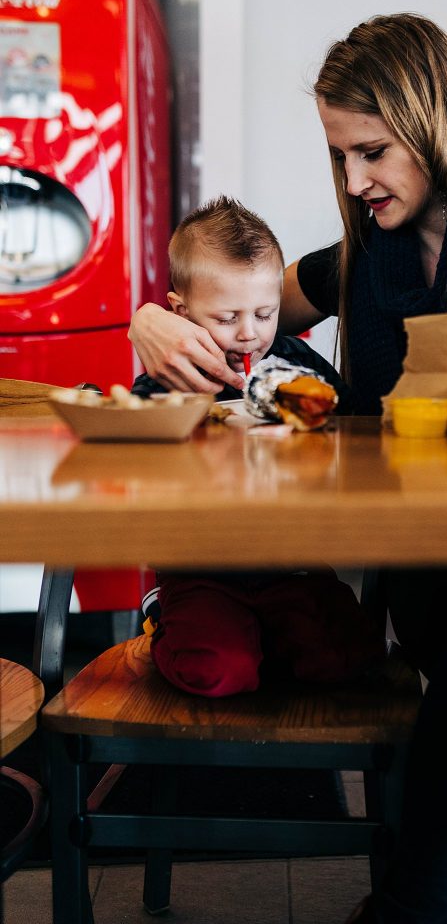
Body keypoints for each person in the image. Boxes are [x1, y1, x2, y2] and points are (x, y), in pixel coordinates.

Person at [129, 15, 447, 923]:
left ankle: (416, 911)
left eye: (370, 151)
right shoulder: (364, 255)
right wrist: (150, 319)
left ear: (434, 119)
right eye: (340, 155)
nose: (353, 180)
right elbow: (241, 303)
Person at [132, 195, 382, 698]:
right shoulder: (169, 379)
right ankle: (163, 614)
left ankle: (264, 635)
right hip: (203, 569)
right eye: (227, 318)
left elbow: (355, 430)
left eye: (265, 313)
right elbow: (138, 461)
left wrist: (316, 429)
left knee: (348, 660)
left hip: (293, 563)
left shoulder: (297, 364)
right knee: (220, 673)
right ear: (180, 312)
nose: (250, 334)